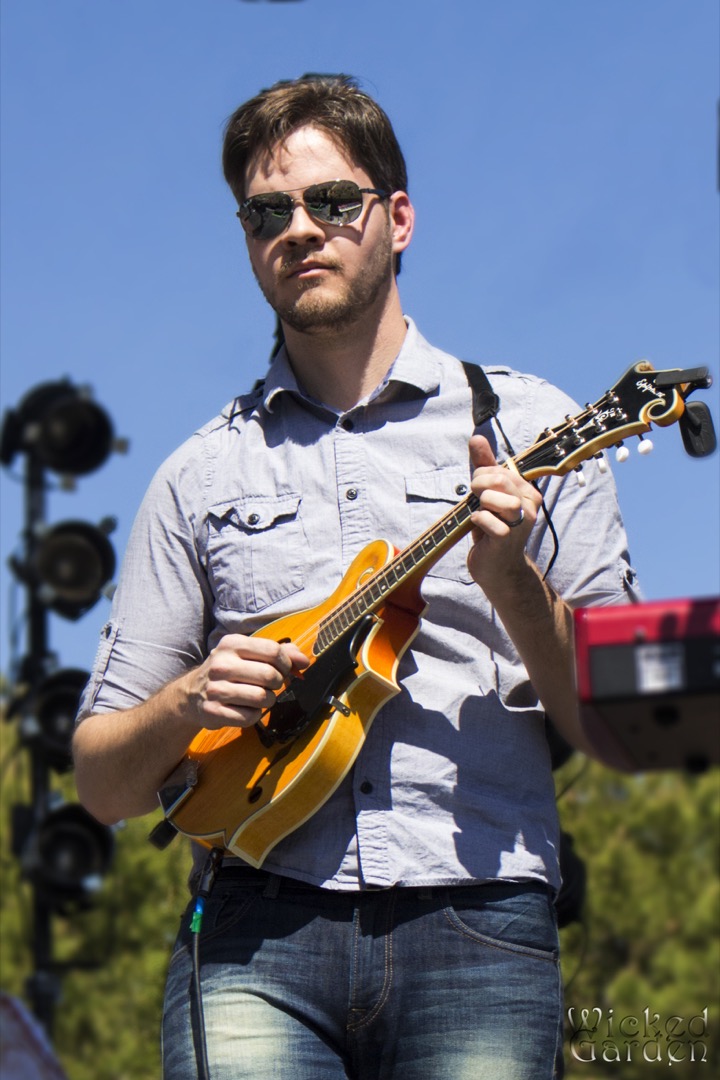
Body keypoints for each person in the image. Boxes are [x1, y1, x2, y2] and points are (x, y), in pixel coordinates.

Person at [73, 74, 638, 1080]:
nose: (300, 229)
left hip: (482, 917)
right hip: (249, 940)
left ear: (398, 218)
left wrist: (511, 583)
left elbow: (619, 724)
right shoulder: (197, 475)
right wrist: (187, 700)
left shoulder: (530, 426)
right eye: (267, 212)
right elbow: (102, 780)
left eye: (333, 201)